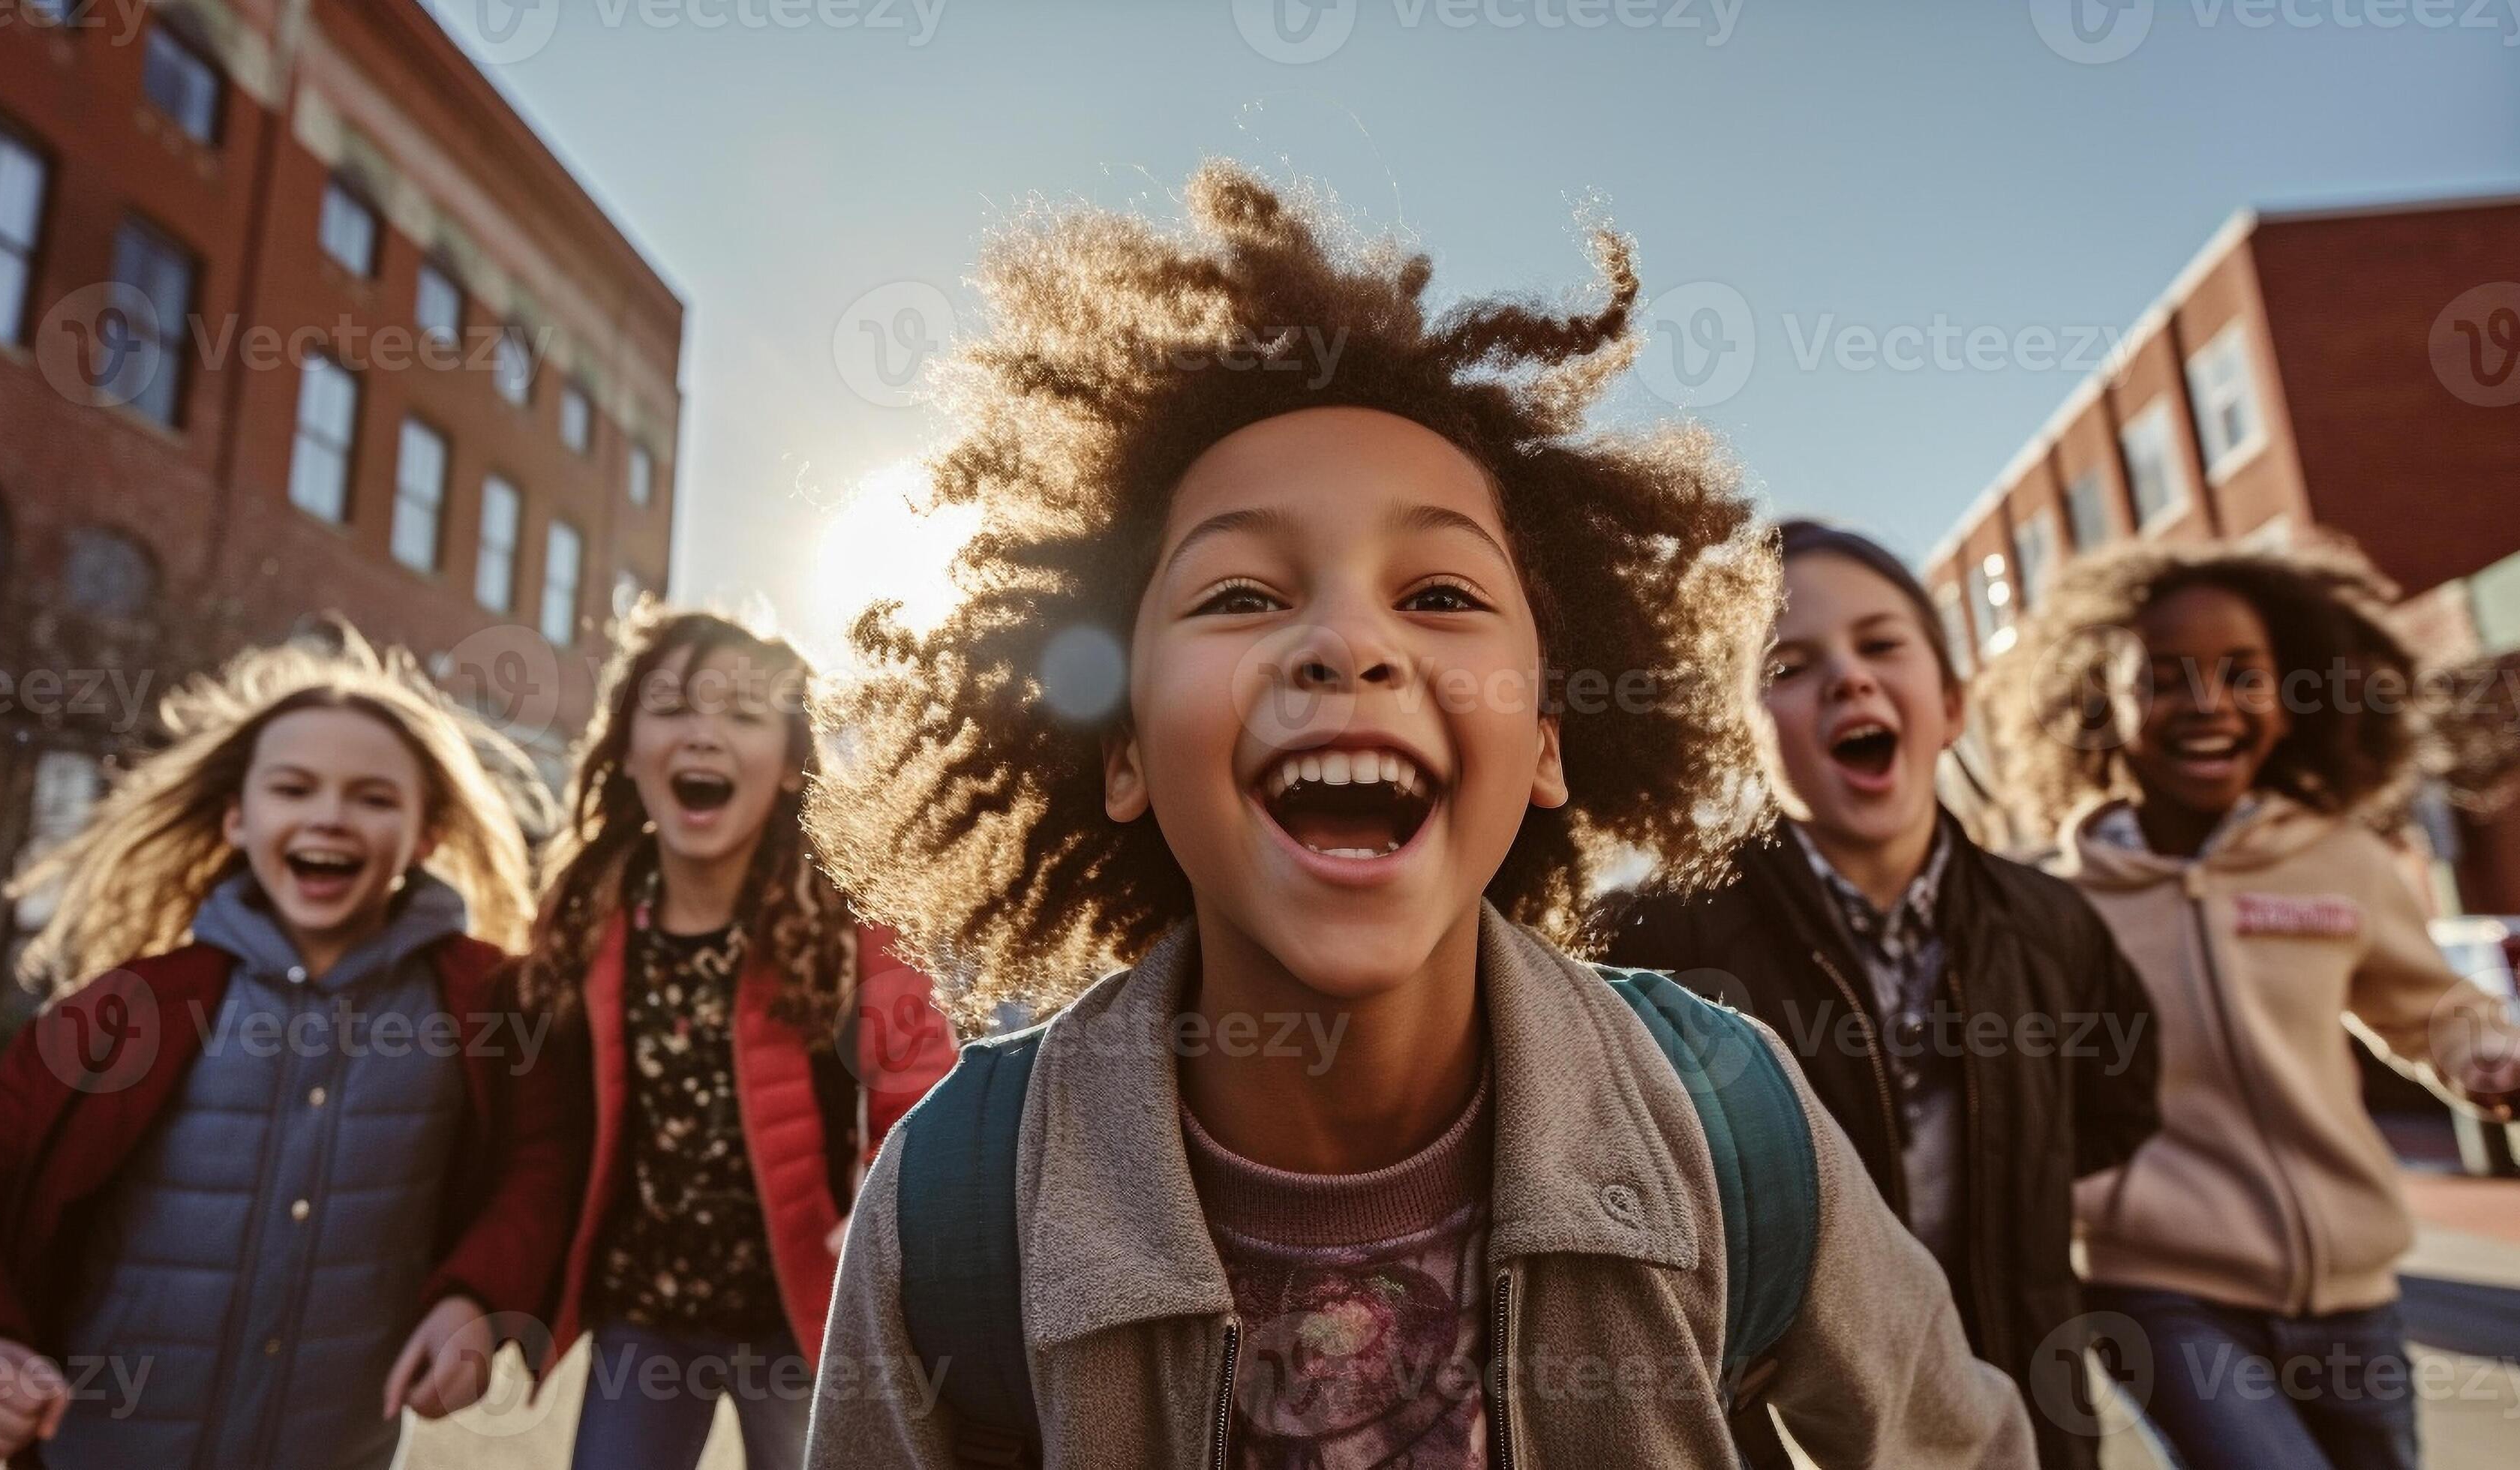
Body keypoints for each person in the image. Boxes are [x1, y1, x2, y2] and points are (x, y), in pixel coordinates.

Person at [798, 161, 2037, 1468]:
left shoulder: (1729, 1124)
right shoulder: (955, 1204)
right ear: (1122, 756)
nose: (1345, 642)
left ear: (1549, 739)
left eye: (1439, 593)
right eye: (1237, 596)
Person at [0, 627, 576, 1470]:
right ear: (238, 815)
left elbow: (546, 1161)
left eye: (373, 797)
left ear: (426, 832)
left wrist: (477, 1296)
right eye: (293, 787)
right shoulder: (126, 1009)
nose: (328, 814)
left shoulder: (490, 1005)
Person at [1590, 519, 2163, 1469]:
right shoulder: (1651, 943)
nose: (1848, 678)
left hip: (2020, 1419)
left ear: (1947, 702)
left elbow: (2115, 1106)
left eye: (1879, 644)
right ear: (1744, 735)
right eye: (1789, 664)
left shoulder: (2051, 925)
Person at [1982, 539, 2520, 1470]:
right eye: (2162, 678)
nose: (2206, 703)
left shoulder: (2336, 861)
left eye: (2243, 675)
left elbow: (2427, 1004)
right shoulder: (2058, 906)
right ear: (2096, 703)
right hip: (2155, 1291)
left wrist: (2482, 1054)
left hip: (2352, 1295)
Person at [529, 604, 954, 1470]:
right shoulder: (585, 919)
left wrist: (884, 1202)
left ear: (793, 765)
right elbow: (537, 1123)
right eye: (674, 706)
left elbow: (920, 1085)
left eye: (742, 713)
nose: (704, 734)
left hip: (800, 1315)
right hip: (642, 1315)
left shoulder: (851, 921)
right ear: (624, 744)